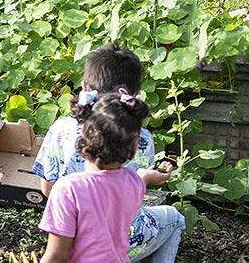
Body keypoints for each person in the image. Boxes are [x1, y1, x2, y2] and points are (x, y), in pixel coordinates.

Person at [33, 44, 183, 263]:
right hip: (128, 242)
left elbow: (55, 255)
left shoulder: (67, 187)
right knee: (175, 219)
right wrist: (151, 176)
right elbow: (137, 180)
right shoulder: (136, 166)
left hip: (69, 237)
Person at [39, 93, 149, 263]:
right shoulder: (135, 183)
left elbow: (56, 257)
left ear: (83, 134)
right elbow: (141, 178)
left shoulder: (68, 189)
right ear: (133, 145)